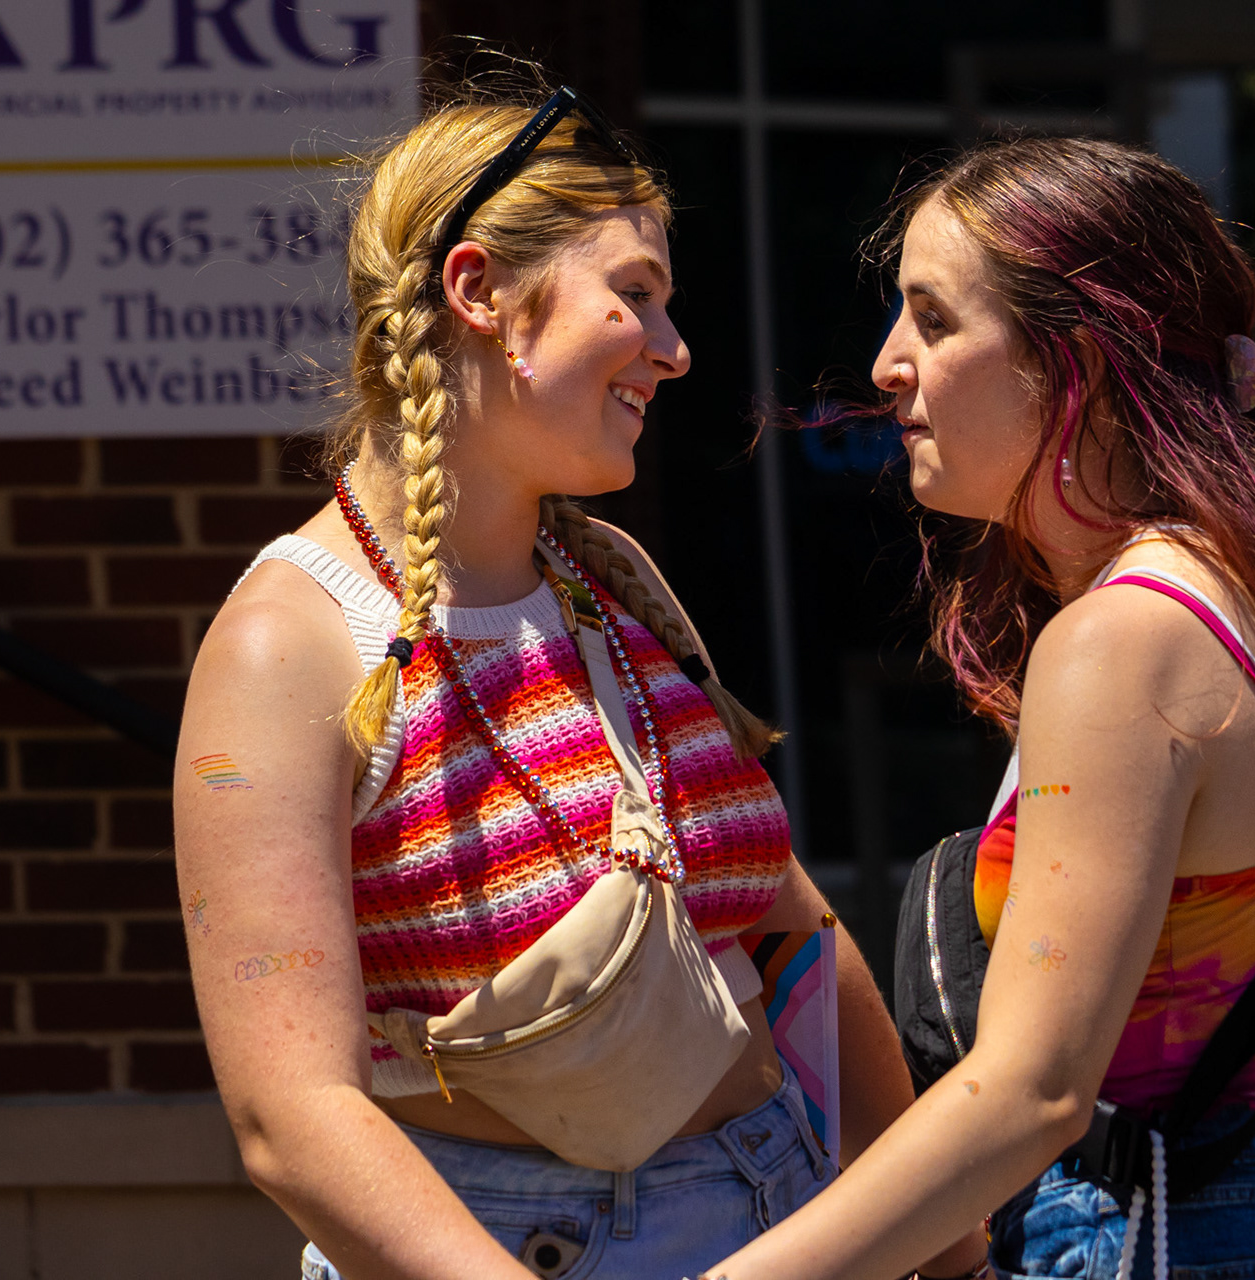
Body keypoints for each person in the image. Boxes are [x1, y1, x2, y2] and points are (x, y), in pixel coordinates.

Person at [172, 87, 967, 1280]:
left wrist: (951, 1252)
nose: (674, 346)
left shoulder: (607, 578)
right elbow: (293, 1119)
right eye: (635, 293)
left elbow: (787, 924)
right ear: (479, 289)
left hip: (788, 1208)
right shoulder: (294, 640)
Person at [705, 138, 1255, 1280]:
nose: (888, 363)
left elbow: (1033, 1090)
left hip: (1184, 1228)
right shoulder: (1248, 583)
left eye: (935, 319)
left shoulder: (1125, 638)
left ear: (1080, 364)